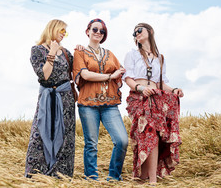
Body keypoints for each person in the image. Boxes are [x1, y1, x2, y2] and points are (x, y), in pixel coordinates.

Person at [123, 22, 184, 184]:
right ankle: (152, 180)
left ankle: (147, 177)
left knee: (154, 136)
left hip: (156, 99)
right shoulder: (132, 54)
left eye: (139, 30)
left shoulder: (160, 58)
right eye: (134, 33)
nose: (136, 34)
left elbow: (160, 83)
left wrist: (175, 90)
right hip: (139, 98)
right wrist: (140, 88)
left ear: (149, 31)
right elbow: (128, 78)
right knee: (147, 134)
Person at [73, 18, 128, 181]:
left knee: (122, 141)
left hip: (110, 104)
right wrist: (110, 76)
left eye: (102, 31)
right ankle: (91, 179)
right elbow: (84, 74)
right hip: (88, 104)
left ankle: (114, 177)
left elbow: (121, 71)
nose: (98, 32)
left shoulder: (110, 54)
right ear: (87, 31)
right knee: (91, 144)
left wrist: (120, 72)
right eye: (95, 29)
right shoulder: (79, 52)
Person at [25, 19, 76, 178]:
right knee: (40, 134)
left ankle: (61, 176)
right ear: (52, 29)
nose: (64, 34)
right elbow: (44, 75)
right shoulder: (37, 50)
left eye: (65, 32)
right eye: (62, 31)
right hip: (47, 98)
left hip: (65, 99)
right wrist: (52, 53)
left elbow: (75, 72)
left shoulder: (67, 53)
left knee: (65, 136)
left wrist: (81, 50)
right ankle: (37, 175)